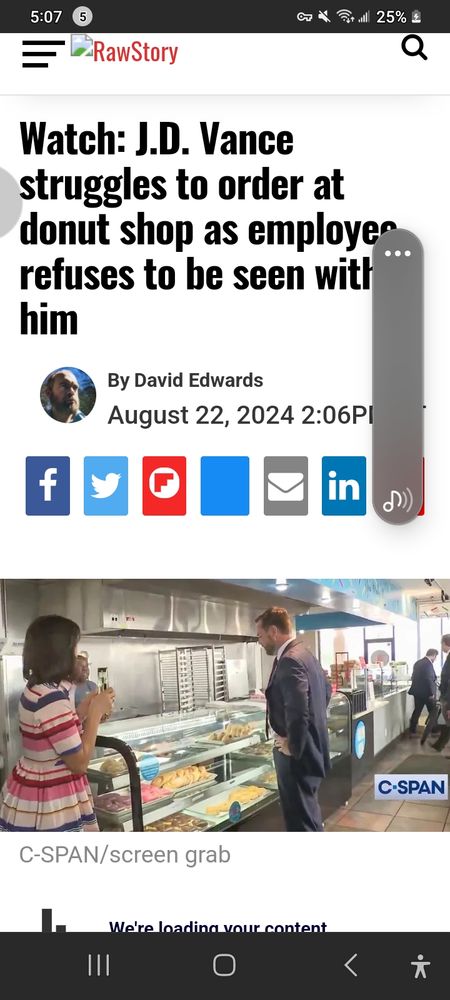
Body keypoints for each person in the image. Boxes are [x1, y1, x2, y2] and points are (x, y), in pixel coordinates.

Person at [0, 615, 114, 832]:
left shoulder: (37, 689)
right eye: (74, 650)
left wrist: (83, 712)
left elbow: (52, 735)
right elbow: (78, 763)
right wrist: (97, 713)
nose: (77, 656)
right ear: (59, 654)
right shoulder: (51, 698)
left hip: (31, 785)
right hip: (51, 797)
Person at [256, 607, 330, 832]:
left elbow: (298, 710)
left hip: (298, 757)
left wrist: (294, 746)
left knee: (300, 822)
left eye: (259, 636)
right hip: (312, 750)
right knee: (308, 815)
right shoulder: (305, 653)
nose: (259, 642)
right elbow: (325, 691)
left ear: (273, 631)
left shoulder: (290, 660)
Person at [408, 648, 438, 736]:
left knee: (417, 711)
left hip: (417, 692)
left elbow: (413, 676)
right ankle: (434, 730)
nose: (435, 660)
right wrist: (431, 693)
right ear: (434, 655)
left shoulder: (418, 662)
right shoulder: (428, 664)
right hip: (427, 693)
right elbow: (428, 679)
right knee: (433, 711)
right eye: (435, 657)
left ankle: (412, 730)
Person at [431, 635, 450, 752]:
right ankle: (439, 745)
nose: (441, 646)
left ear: (445, 643)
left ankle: (440, 745)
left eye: (441, 643)